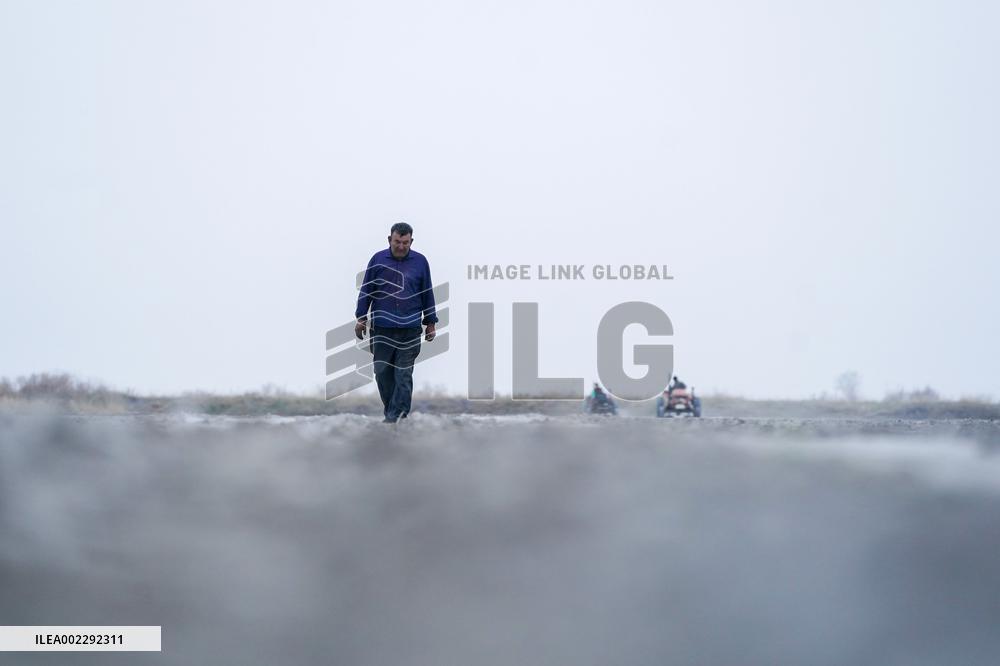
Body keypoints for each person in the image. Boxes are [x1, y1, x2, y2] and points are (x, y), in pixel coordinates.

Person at [354, 222, 438, 423]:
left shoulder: (420, 262)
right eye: (397, 242)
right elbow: (367, 290)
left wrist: (431, 322)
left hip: (409, 329)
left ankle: (397, 418)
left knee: (403, 375)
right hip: (382, 329)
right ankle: (392, 414)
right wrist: (361, 318)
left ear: (411, 241)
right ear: (389, 239)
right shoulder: (377, 260)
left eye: (405, 243)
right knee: (382, 374)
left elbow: (427, 292)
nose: (401, 246)